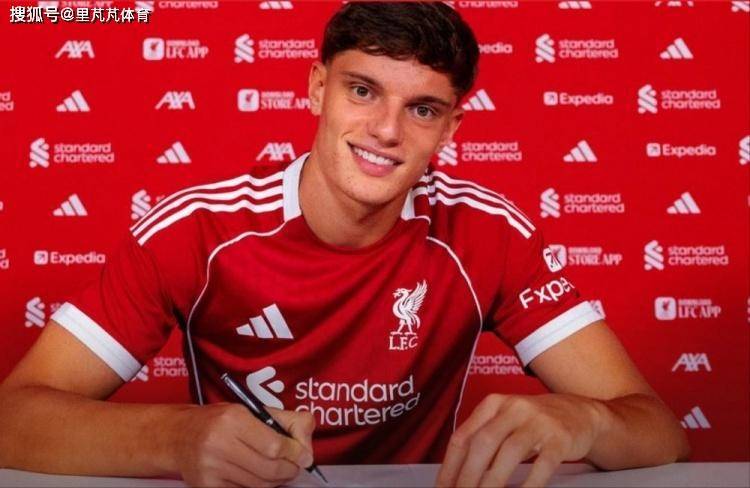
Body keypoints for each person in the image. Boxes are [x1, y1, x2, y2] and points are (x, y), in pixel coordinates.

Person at [0, 3, 689, 487]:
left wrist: (583, 421)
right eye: (363, 91)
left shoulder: (489, 233)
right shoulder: (196, 229)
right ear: (318, 89)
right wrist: (179, 439)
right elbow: (13, 417)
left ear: (451, 128)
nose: (387, 130)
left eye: (422, 109)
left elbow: (658, 429)